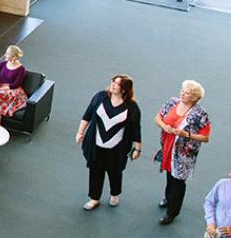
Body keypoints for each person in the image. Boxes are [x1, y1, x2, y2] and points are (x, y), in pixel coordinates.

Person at [76, 74, 142, 210]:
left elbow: (136, 129)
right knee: (95, 171)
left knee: (115, 172)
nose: (113, 85)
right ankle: (94, 198)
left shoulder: (131, 107)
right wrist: (80, 132)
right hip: (96, 144)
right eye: (113, 82)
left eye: (117, 84)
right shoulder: (100, 97)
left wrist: (137, 149)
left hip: (117, 148)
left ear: (124, 89)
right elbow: (87, 115)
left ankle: (115, 194)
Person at [154, 79, 212, 225]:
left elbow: (205, 137)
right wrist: (164, 126)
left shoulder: (200, 114)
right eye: (182, 91)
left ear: (195, 98)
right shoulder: (172, 102)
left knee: (178, 180)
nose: (183, 94)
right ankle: (168, 198)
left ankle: (172, 212)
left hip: (183, 153)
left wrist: (186, 134)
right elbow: (158, 117)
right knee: (169, 173)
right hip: (167, 146)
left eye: (187, 93)